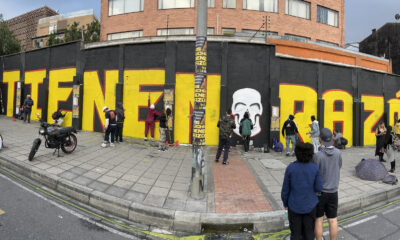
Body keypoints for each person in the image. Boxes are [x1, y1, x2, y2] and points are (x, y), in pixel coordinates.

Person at [281, 142, 322, 240]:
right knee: (309, 233)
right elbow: (319, 188)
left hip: (294, 205)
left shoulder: (290, 168)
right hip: (310, 205)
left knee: (295, 233)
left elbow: (285, 189)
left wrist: (285, 203)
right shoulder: (315, 169)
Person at [313, 128, 342, 240]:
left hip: (320, 192)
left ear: (320, 139)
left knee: (319, 219)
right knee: (333, 219)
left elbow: (315, 172)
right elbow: (339, 166)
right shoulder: (338, 153)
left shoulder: (318, 156)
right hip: (333, 191)